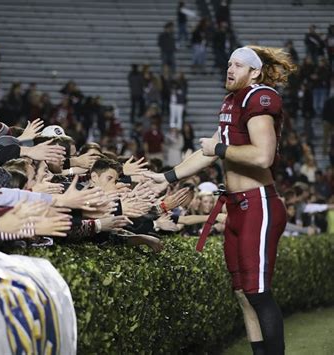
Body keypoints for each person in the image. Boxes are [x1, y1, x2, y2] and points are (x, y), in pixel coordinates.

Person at [146, 46, 296, 354]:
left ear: (254, 72)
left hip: (258, 203)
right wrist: (167, 177)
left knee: (258, 293)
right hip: (236, 205)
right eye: (228, 63)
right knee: (243, 293)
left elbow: (262, 155)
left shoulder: (259, 98)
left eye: (238, 64)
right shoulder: (232, 101)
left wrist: (220, 151)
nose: (230, 68)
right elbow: (208, 150)